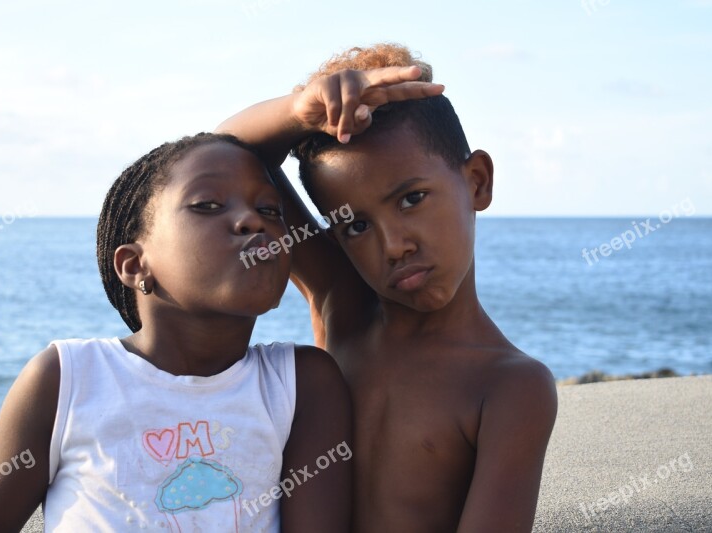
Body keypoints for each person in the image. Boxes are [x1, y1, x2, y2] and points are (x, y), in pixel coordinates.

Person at [217, 44, 558, 532]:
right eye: (355, 227)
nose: (393, 246)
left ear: (477, 182)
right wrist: (300, 111)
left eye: (412, 198)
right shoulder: (342, 303)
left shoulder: (509, 387)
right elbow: (225, 156)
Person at [0, 133, 352, 532]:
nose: (252, 221)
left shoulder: (301, 384)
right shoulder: (67, 379)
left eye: (270, 210)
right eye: (208, 205)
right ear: (134, 265)